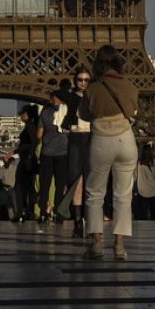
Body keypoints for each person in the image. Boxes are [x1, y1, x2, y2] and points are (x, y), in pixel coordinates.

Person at [80, 45, 139, 261]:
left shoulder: (92, 88)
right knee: (123, 196)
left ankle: (96, 244)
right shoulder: (130, 86)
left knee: (94, 194)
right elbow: (133, 112)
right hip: (126, 140)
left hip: (102, 140)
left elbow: (84, 115)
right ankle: (120, 245)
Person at [63, 69, 92, 237]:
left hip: (90, 138)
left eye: (86, 80)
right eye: (80, 79)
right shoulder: (70, 98)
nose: (83, 82)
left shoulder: (94, 97)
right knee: (76, 183)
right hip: (75, 138)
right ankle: (78, 222)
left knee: (91, 183)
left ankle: (89, 222)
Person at [36, 89, 70, 224]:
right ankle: (58, 213)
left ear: (52, 99)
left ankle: (43, 213)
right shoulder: (67, 112)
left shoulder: (45, 113)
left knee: (45, 185)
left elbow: (39, 135)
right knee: (60, 185)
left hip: (47, 152)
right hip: (63, 152)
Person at [13, 105, 39, 222]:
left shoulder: (30, 127)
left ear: (27, 114)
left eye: (22, 113)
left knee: (19, 186)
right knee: (29, 187)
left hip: (26, 161)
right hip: (29, 160)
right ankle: (29, 212)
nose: (20, 115)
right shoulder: (31, 126)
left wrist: (28, 157)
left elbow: (33, 143)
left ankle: (20, 212)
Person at [133, 145, 155, 220]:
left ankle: (143, 229)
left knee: (143, 214)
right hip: (154, 190)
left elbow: (134, 177)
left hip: (142, 191)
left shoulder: (138, 164)